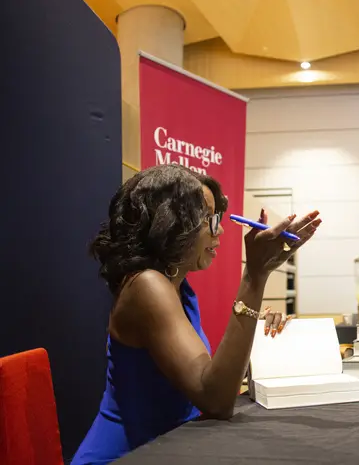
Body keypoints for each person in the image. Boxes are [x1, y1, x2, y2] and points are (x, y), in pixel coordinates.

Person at [72, 165, 321, 464]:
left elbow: (208, 379)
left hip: (167, 450)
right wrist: (255, 276)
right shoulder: (147, 286)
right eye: (210, 219)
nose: (221, 230)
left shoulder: (179, 289)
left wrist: (259, 331)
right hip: (128, 456)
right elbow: (215, 399)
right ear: (171, 223)